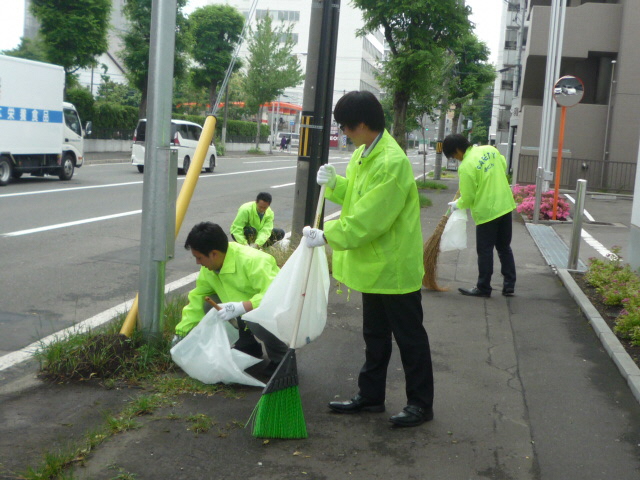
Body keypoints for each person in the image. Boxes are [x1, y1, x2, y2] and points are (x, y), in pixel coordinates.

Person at [303, 90, 434, 428]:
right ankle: (371, 395)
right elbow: (358, 199)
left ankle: (421, 404)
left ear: (362, 124)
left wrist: (329, 236)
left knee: (409, 338)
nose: (344, 134)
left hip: (393, 266)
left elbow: (369, 220)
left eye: (346, 128)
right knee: (375, 335)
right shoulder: (365, 154)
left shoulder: (391, 162)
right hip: (376, 267)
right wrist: (335, 184)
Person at [173, 222, 288, 375]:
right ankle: (248, 346)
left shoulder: (253, 261)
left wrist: (244, 306)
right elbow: (198, 298)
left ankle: (282, 358)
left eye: (199, 258)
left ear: (214, 254)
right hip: (243, 312)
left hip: (276, 313)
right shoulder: (210, 269)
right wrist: (181, 332)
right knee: (207, 304)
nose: (198, 262)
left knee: (255, 316)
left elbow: (277, 295)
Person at [442, 133, 517, 298]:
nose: (456, 159)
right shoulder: (490, 149)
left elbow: (468, 197)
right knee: (504, 247)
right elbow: (503, 166)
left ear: (457, 150)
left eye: (454, 156)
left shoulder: (466, 166)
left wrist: (457, 205)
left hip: (487, 212)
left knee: (485, 250)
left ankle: (483, 287)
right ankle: (509, 285)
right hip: (505, 205)